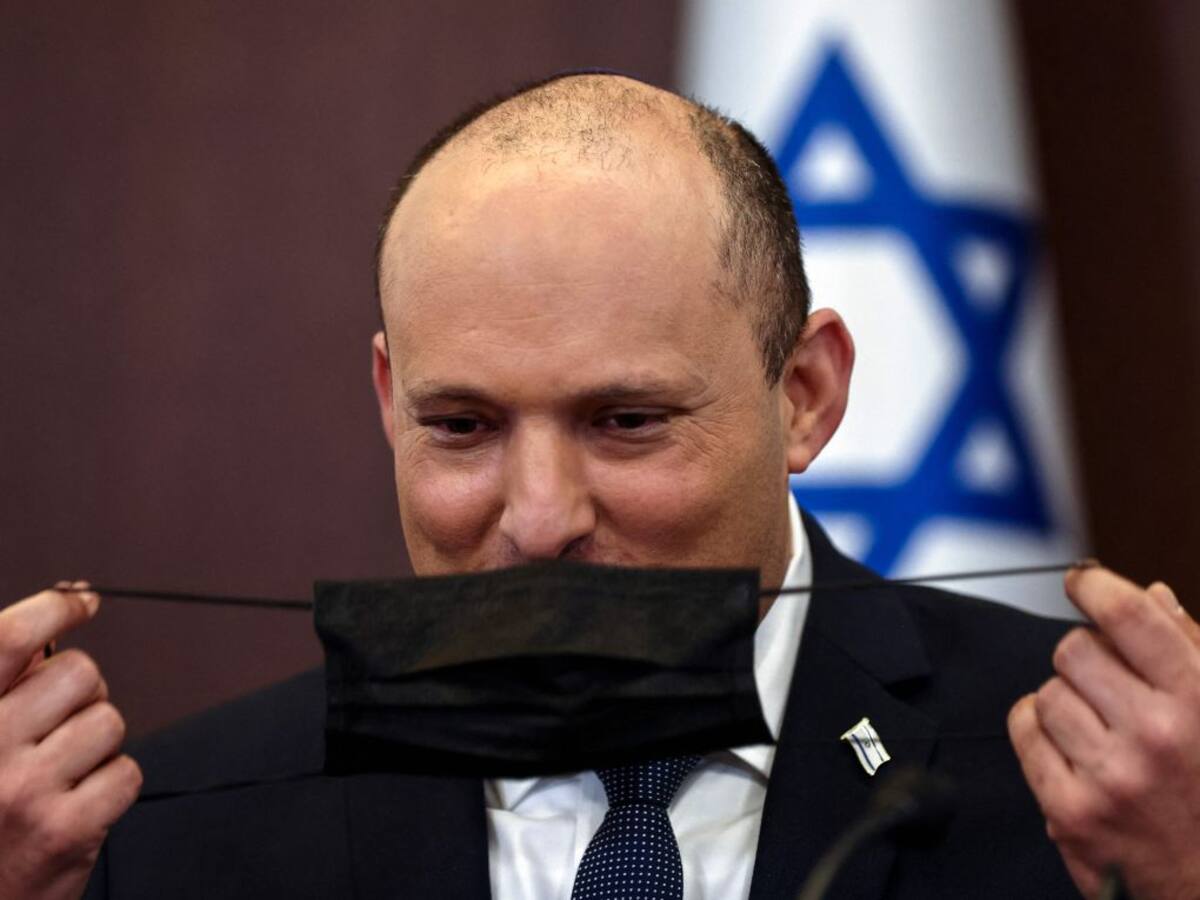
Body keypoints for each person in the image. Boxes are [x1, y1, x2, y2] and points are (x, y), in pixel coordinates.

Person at [1, 72, 1197, 900]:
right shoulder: (162, 833)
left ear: (804, 395)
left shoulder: (1115, 793)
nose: (537, 520)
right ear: (388, 401)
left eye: (626, 422)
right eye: (461, 426)